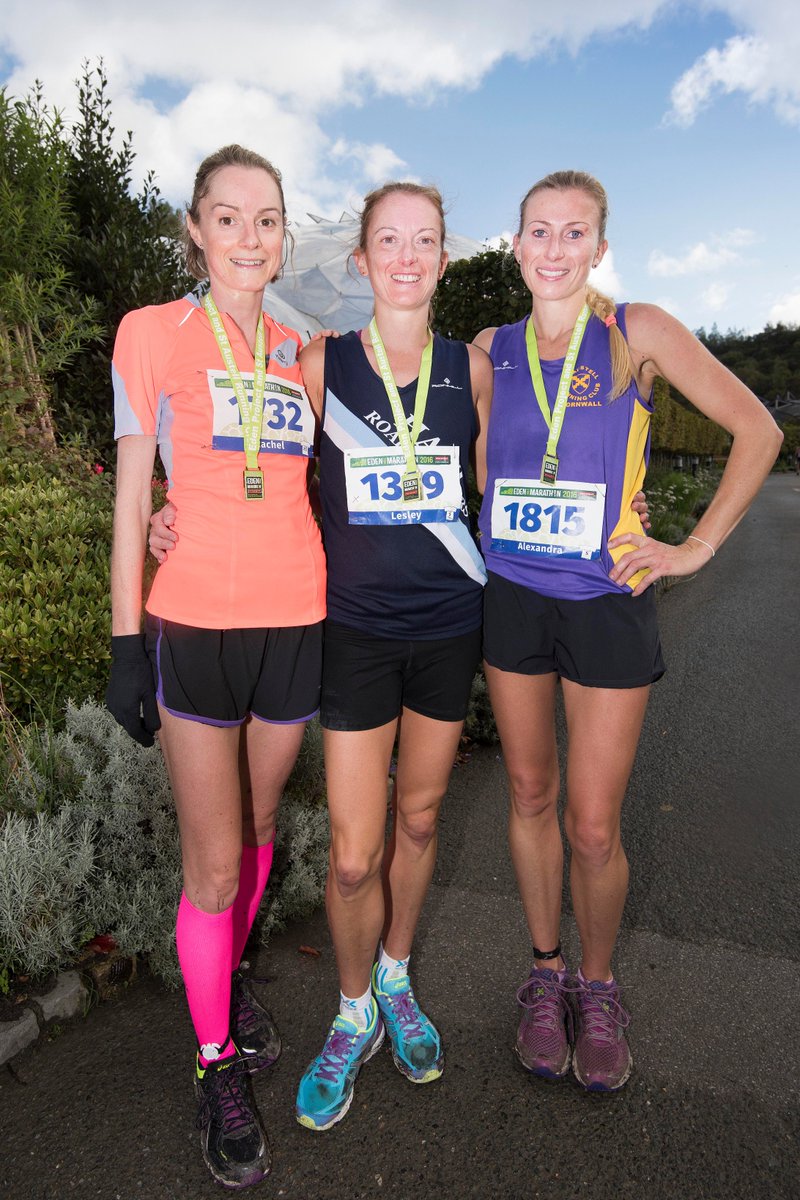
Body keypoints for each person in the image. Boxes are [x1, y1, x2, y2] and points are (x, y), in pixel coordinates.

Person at [477, 169, 782, 1093]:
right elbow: (463, 465)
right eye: (540, 230)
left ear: (599, 248)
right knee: (529, 794)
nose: (556, 247)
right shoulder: (488, 350)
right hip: (512, 597)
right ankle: (544, 974)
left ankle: (599, 985)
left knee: (592, 824)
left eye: (575, 232)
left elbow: (759, 430)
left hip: (608, 599)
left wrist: (693, 547)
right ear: (516, 245)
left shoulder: (632, 332)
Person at [106, 144, 326, 1188]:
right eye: (227, 217)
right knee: (215, 868)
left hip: (297, 621)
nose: (248, 237)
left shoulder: (301, 350)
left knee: (259, 827)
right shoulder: (151, 332)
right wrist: (124, 641)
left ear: (284, 236)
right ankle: (213, 1063)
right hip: (193, 626)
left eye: (266, 219)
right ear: (195, 230)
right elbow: (130, 501)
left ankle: (226, 981)